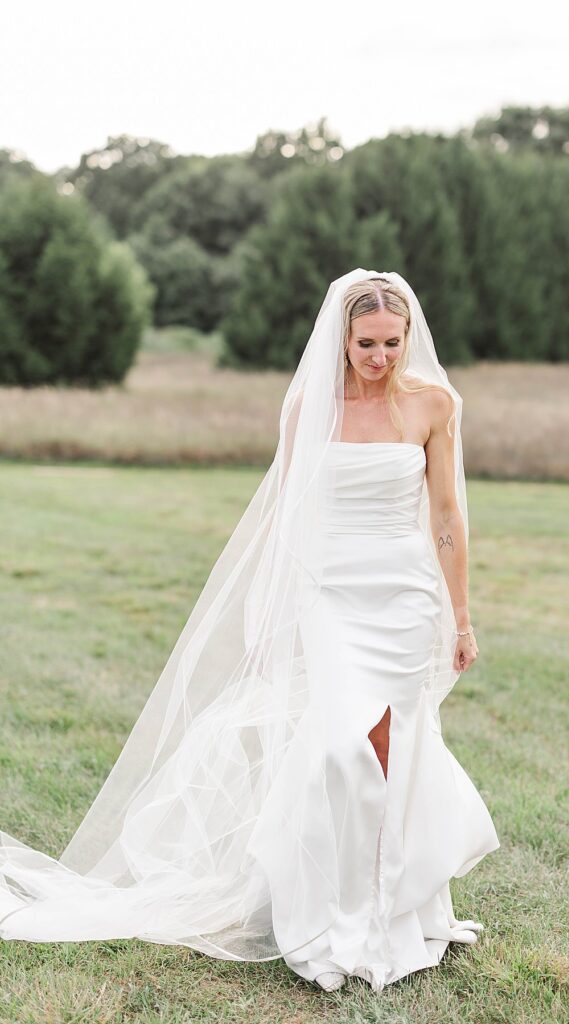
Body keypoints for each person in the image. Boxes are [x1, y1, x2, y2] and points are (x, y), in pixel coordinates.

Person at [0, 269, 499, 996]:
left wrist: (459, 615)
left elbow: (447, 516)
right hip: (332, 600)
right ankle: (338, 919)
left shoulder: (434, 404)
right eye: (367, 342)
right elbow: (285, 515)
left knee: (391, 757)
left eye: (393, 343)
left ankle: (389, 915)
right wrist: (270, 606)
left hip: (404, 600)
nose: (381, 356)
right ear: (342, 336)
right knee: (341, 753)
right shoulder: (307, 405)